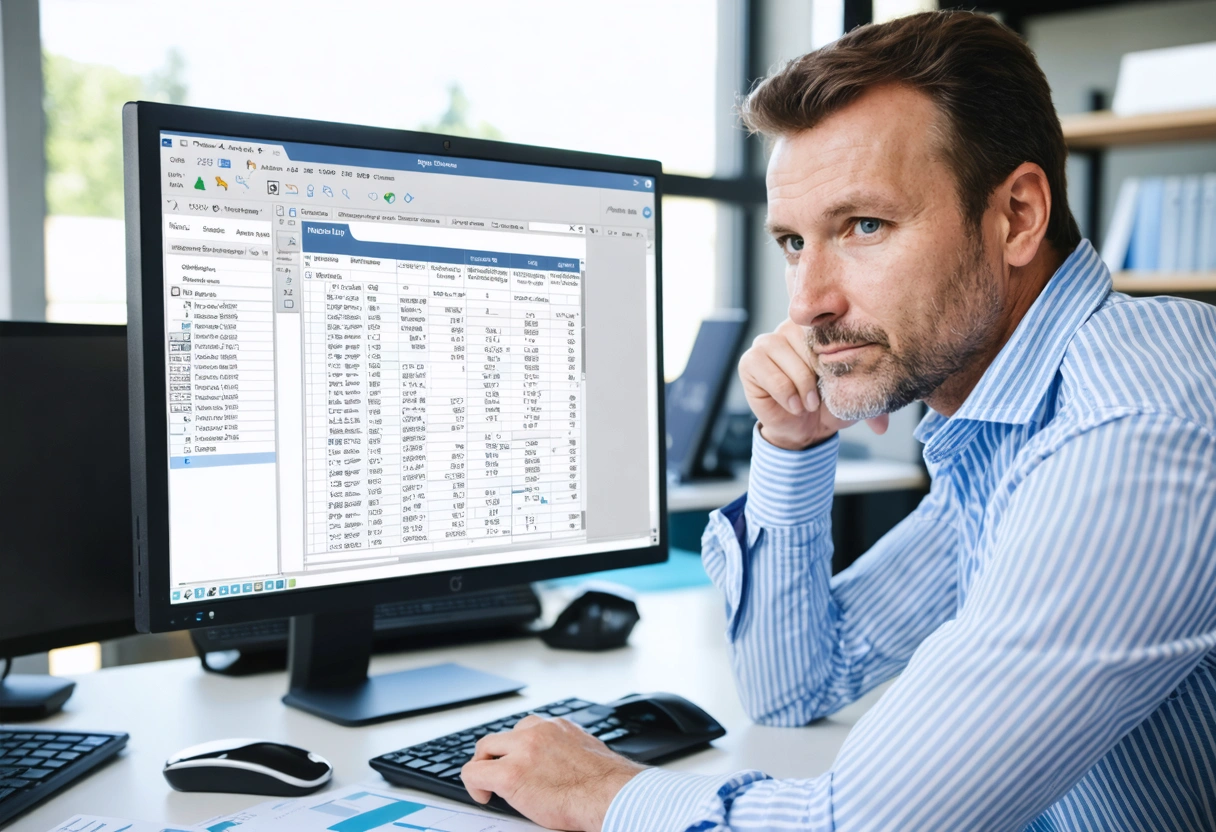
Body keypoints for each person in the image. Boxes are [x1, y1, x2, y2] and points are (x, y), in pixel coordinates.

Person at [460, 10, 1216, 830]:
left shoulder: (1129, 432)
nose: (808, 304)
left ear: (1019, 217)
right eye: (793, 240)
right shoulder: (1008, 427)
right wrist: (792, 441)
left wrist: (597, 792)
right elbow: (795, 685)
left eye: (864, 226)